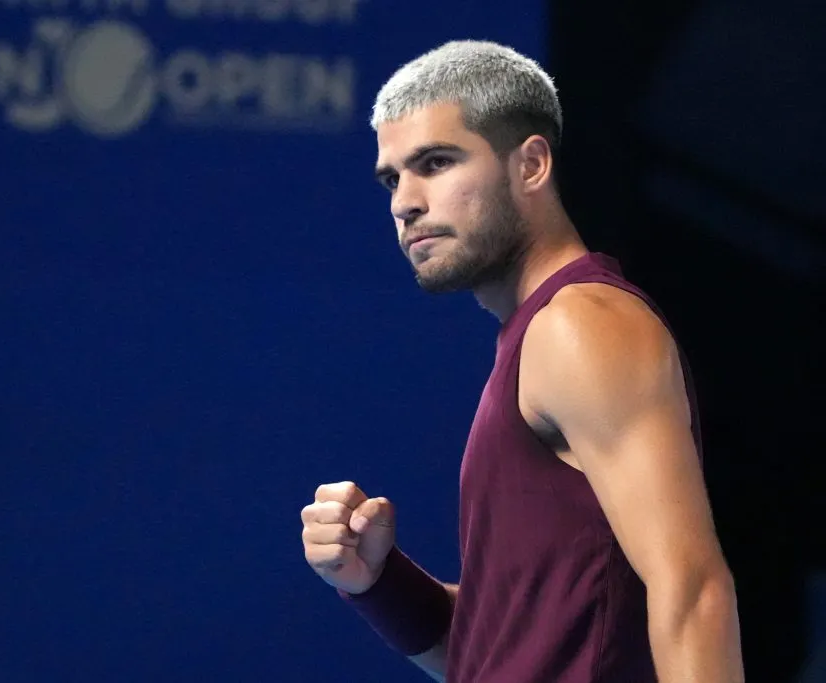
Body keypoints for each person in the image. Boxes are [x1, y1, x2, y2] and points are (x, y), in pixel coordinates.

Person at [299, 40, 744, 683]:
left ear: (531, 165)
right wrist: (378, 584)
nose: (405, 202)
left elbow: (694, 592)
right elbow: (498, 655)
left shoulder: (579, 326)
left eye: (436, 162)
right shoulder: (536, 337)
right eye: (393, 178)